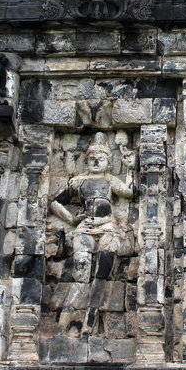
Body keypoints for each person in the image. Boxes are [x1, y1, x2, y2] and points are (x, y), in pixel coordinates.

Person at [50, 133, 135, 333]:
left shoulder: (110, 180)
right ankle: (66, 318)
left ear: (109, 163)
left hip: (107, 228)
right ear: (86, 161)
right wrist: (71, 219)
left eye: (102, 158)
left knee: (102, 274)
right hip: (85, 228)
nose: (96, 161)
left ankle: (91, 316)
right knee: (80, 275)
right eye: (92, 158)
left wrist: (130, 168)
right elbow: (54, 202)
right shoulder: (78, 181)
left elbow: (131, 192)